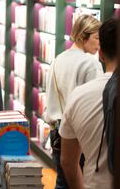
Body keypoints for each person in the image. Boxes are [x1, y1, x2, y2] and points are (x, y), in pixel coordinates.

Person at [43, 14, 103, 189]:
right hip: (80, 135)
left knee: (62, 181)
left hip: (56, 133)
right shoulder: (90, 64)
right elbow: (94, 104)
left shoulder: (57, 59)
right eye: (96, 38)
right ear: (83, 36)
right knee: (80, 182)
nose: (99, 44)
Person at [59, 18, 117, 189]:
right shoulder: (88, 64)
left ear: (101, 53)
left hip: (93, 180)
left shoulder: (78, 95)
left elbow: (68, 162)